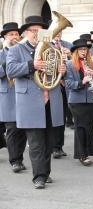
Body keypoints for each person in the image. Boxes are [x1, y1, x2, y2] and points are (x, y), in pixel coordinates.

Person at [6, 15, 66, 189]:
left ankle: (45, 173)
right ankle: (38, 176)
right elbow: (10, 70)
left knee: (48, 141)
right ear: (25, 32)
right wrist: (32, 65)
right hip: (30, 101)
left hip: (50, 99)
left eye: (40, 30)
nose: (37, 33)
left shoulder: (53, 47)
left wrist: (62, 70)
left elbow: (58, 71)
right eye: (33, 30)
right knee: (36, 142)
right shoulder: (17, 49)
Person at [65, 38, 93, 166]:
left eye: (85, 49)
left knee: (89, 127)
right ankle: (82, 154)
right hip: (76, 101)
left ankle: (87, 151)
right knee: (80, 127)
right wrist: (82, 82)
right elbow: (68, 84)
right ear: (75, 51)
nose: (83, 51)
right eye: (81, 49)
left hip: (91, 100)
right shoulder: (69, 65)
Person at [0, 22, 27, 172]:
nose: (14, 37)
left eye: (16, 34)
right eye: (11, 34)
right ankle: (14, 161)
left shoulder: (22, 52)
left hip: (23, 94)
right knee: (11, 129)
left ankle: (20, 158)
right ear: (5, 37)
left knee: (22, 129)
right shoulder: (0, 54)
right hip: (7, 96)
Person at [50, 29, 73, 158]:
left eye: (60, 31)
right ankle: (51, 145)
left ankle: (58, 146)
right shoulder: (46, 44)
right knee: (51, 116)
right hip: (53, 84)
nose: (58, 34)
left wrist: (69, 56)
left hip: (65, 85)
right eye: (56, 31)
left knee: (61, 116)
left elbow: (75, 63)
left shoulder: (68, 45)